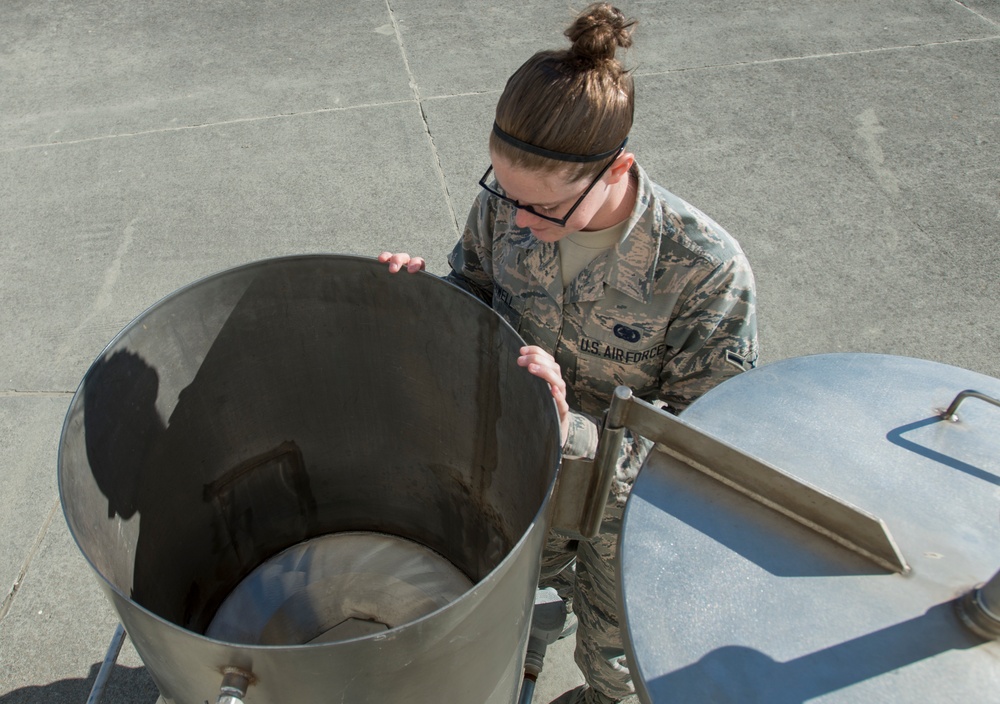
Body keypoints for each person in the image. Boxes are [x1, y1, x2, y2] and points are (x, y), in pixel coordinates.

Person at [380, 4, 757, 702]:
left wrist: (570, 430)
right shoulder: (512, 204)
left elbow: (709, 450)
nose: (520, 221)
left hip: (630, 525)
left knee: (619, 665)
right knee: (507, 605)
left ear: (617, 170)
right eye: (506, 195)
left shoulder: (704, 268)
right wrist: (421, 302)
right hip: (519, 484)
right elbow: (474, 293)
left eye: (545, 211)